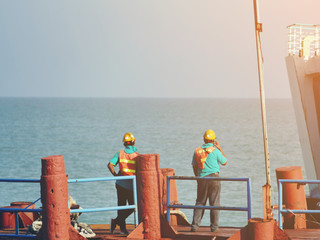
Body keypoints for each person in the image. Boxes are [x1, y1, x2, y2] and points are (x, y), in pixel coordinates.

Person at [191, 129, 227, 233]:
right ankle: (214, 227)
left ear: (204, 139)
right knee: (214, 203)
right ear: (213, 140)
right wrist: (219, 148)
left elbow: (194, 165)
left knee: (200, 202)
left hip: (202, 178)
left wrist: (198, 177)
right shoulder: (215, 151)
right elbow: (224, 162)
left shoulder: (197, 150)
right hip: (214, 178)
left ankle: (195, 226)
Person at [108, 132, 139, 234]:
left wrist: (115, 175)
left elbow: (110, 165)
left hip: (120, 183)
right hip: (131, 184)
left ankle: (121, 227)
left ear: (124, 144)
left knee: (121, 205)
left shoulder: (120, 153)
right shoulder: (137, 156)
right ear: (133, 142)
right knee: (132, 206)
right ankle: (118, 223)